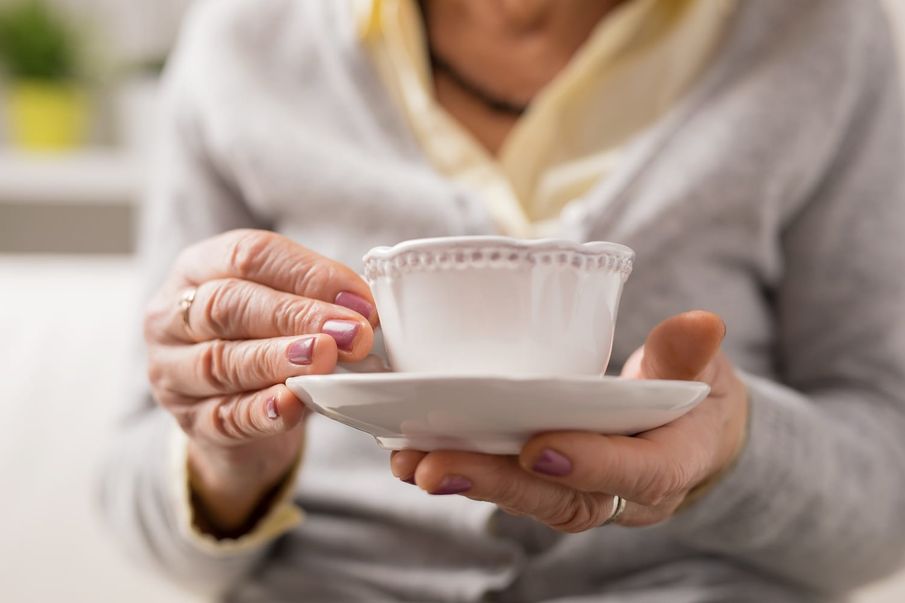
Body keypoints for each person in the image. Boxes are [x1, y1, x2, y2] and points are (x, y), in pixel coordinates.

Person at [101, 0, 905, 601]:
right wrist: (232, 459)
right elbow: (132, 495)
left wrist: (735, 451)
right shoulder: (245, 40)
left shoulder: (818, 34)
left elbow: (889, 489)